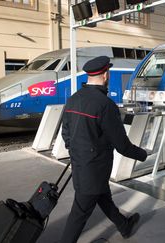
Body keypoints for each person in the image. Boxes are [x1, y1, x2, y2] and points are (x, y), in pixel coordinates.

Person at [60, 56, 148, 243]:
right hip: (94, 168)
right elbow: (121, 145)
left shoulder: (73, 99)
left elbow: (65, 133)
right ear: (106, 75)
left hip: (82, 165)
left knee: (103, 196)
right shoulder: (105, 105)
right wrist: (142, 154)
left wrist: (77, 152)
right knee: (79, 214)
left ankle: (124, 225)